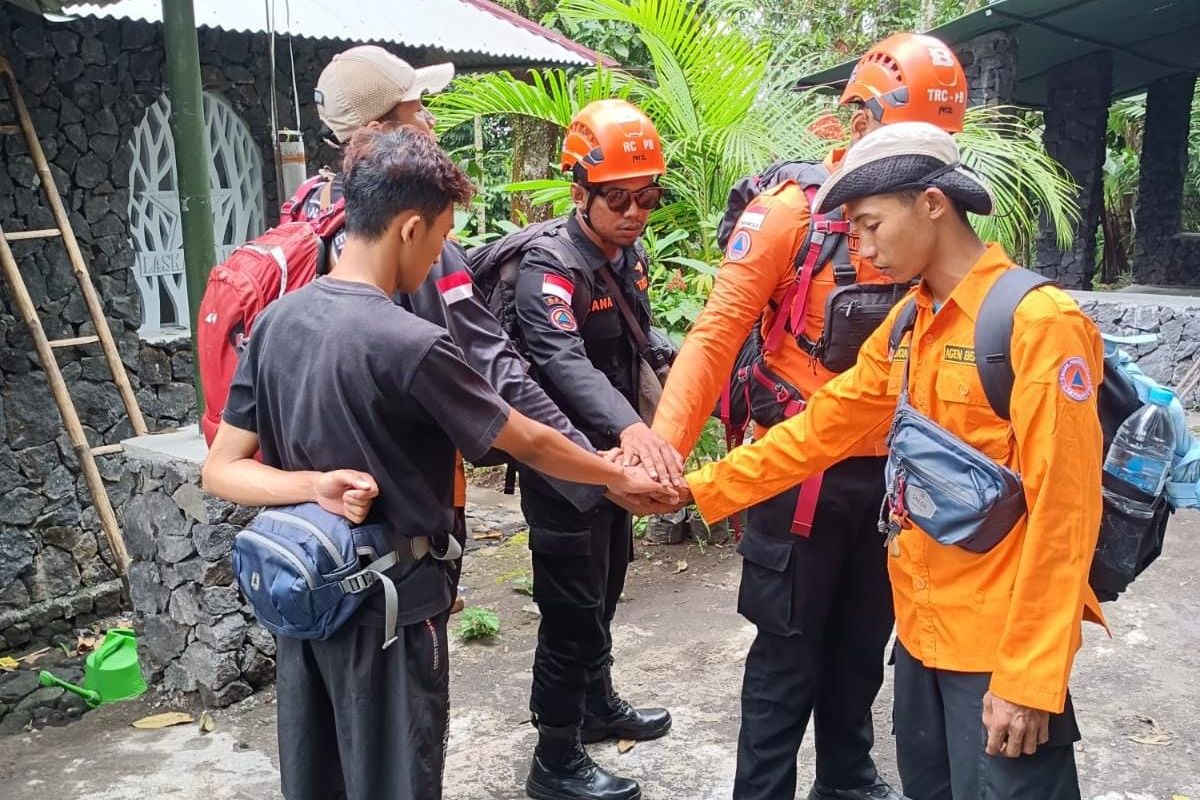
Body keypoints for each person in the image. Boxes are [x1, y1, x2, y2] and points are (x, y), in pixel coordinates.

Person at [202, 125, 672, 800]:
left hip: (303, 596)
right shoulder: (410, 342)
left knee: (320, 775)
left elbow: (221, 469)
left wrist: (311, 488)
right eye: (443, 234)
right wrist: (617, 474)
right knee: (399, 776)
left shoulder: (280, 321)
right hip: (392, 604)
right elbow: (525, 438)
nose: (445, 259)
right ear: (409, 228)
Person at [677, 121, 1104, 800]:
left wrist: (1029, 679)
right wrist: (694, 489)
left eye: (872, 225)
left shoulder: (1038, 325)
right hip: (922, 642)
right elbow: (821, 428)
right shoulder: (909, 323)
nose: (865, 249)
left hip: (996, 656)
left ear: (932, 203)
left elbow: (1066, 516)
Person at [650, 32, 969, 800]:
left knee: (864, 647)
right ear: (858, 123)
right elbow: (718, 332)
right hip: (797, 480)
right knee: (786, 659)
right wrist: (665, 451)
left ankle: (847, 777)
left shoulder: (934, 224)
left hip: (895, 480)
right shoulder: (791, 216)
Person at [302, 45, 617, 606]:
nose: (432, 121)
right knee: (410, 667)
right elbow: (494, 368)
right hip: (398, 510)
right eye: (419, 108)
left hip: (314, 514)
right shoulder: (410, 237)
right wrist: (593, 470)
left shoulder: (312, 214)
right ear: (379, 131)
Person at [512, 99, 683, 800]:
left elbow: (636, 340)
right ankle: (554, 758)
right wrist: (632, 428)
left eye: (649, 197)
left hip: (614, 464)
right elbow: (560, 360)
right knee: (570, 611)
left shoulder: (625, 254)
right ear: (580, 191)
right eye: (619, 197)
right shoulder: (547, 265)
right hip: (563, 468)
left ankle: (596, 707)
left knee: (606, 588)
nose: (636, 211)